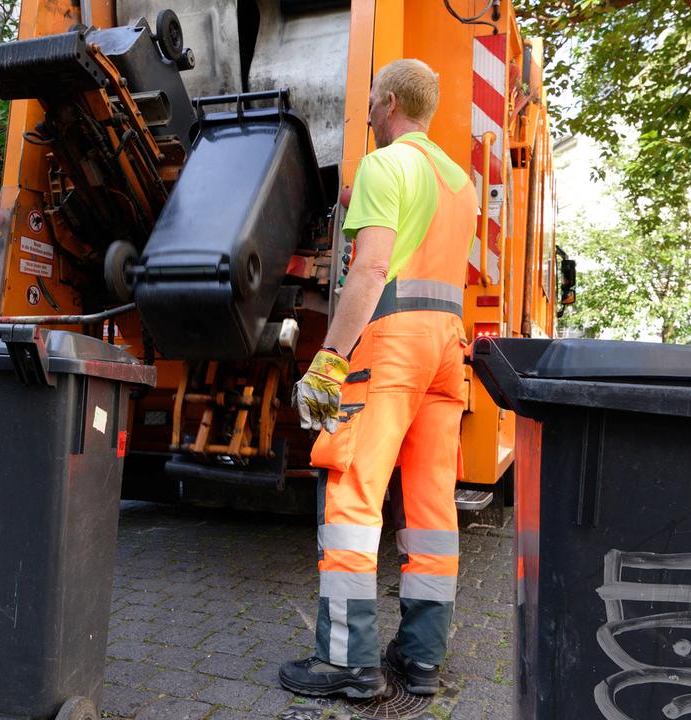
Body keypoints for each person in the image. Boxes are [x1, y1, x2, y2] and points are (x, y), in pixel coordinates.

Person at [280, 59, 477, 699]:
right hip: (448, 352)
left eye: (369, 101)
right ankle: (422, 659)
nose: (365, 112)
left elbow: (371, 272)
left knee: (353, 503)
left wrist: (329, 359)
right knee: (429, 510)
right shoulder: (458, 181)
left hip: (391, 345)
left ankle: (347, 663)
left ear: (389, 101)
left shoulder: (381, 166)